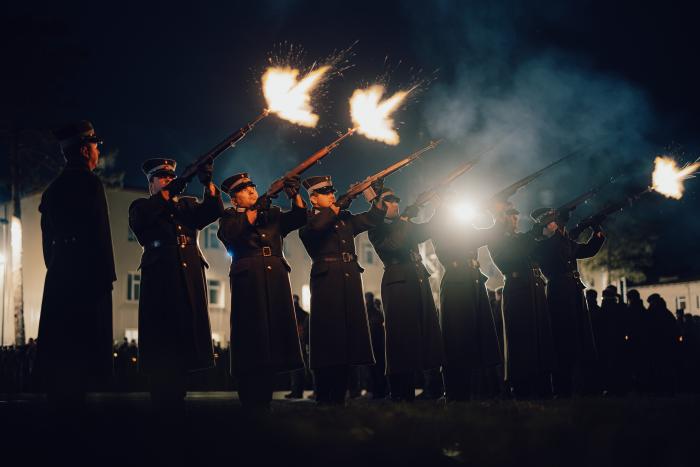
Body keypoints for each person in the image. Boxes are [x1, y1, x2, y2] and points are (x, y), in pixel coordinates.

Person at [128, 157, 223, 415]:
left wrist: (207, 182)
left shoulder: (187, 205)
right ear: (151, 184)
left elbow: (213, 211)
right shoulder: (142, 205)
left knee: (184, 337)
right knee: (163, 338)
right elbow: (141, 223)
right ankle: (162, 397)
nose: (169, 180)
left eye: (172, 177)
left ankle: (178, 394)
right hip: (161, 275)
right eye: (163, 178)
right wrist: (171, 192)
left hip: (188, 273)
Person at [37, 120, 115, 413]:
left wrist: (57, 268)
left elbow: (47, 246)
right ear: (85, 150)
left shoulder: (52, 190)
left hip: (59, 277)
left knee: (61, 350)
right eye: (94, 146)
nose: (97, 151)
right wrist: (105, 277)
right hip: (87, 279)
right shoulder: (90, 183)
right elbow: (100, 234)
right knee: (81, 355)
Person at [217, 172, 306, 409]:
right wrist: (254, 211)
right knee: (251, 337)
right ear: (235, 200)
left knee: (273, 337)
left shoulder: (273, 213)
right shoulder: (229, 217)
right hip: (249, 280)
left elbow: (299, 218)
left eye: (253, 187)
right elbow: (231, 234)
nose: (251, 191)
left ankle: (266, 391)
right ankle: (249, 392)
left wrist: (294, 194)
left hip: (274, 276)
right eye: (244, 190)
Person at [299, 175, 386, 405]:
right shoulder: (309, 221)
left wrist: (374, 196)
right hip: (327, 283)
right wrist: (342, 202)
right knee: (329, 340)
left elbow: (373, 219)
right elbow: (318, 226)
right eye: (325, 192)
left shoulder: (344, 219)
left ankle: (339, 396)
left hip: (349, 280)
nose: (331, 195)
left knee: (347, 341)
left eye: (332, 191)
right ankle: (324, 394)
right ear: (314, 200)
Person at [367, 188, 444, 401]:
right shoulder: (376, 227)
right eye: (388, 200)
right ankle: (401, 392)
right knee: (401, 340)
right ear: (378, 205)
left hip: (417, 279)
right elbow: (394, 244)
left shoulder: (404, 224)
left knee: (427, 334)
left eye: (396, 199)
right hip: (397, 282)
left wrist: (439, 207)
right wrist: (407, 216)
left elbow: (430, 229)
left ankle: (432, 389)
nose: (395, 203)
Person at [429, 197, 502, 401]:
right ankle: (454, 392)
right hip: (456, 286)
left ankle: (470, 391)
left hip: (472, 284)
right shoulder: (442, 231)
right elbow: (456, 246)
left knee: (473, 341)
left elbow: (490, 234)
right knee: (456, 342)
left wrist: (494, 212)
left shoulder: (465, 232)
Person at [531, 207, 605, 397]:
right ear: (545, 226)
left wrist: (596, 231)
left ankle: (582, 386)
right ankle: (563, 388)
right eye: (552, 222)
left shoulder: (562, 241)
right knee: (564, 340)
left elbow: (587, 250)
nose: (557, 225)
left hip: (573, 290)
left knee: (580, 338)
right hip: (559, 292)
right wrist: (568, 232)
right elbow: (562, 250)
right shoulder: (544, 245)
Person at [487, 206, 553, 399]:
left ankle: (542, 385)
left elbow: (540, 250)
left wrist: (552, 232)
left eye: (516, 215)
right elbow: (514, 254)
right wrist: (535, 232)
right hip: (517, 289)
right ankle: (522, 387)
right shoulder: (498, 239)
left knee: (539, 338)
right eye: (511, 215)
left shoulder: (520, 238)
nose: (516, 218)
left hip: (534, 287)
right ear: (502, 218)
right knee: (521, 340)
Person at [365, 293, 387, 399]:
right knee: (376, 370)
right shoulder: (375, 312)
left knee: (375, 370)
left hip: (374, 345)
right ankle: (378, 391)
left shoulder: (371, 313)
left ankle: (377, 392)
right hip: (377, 345)